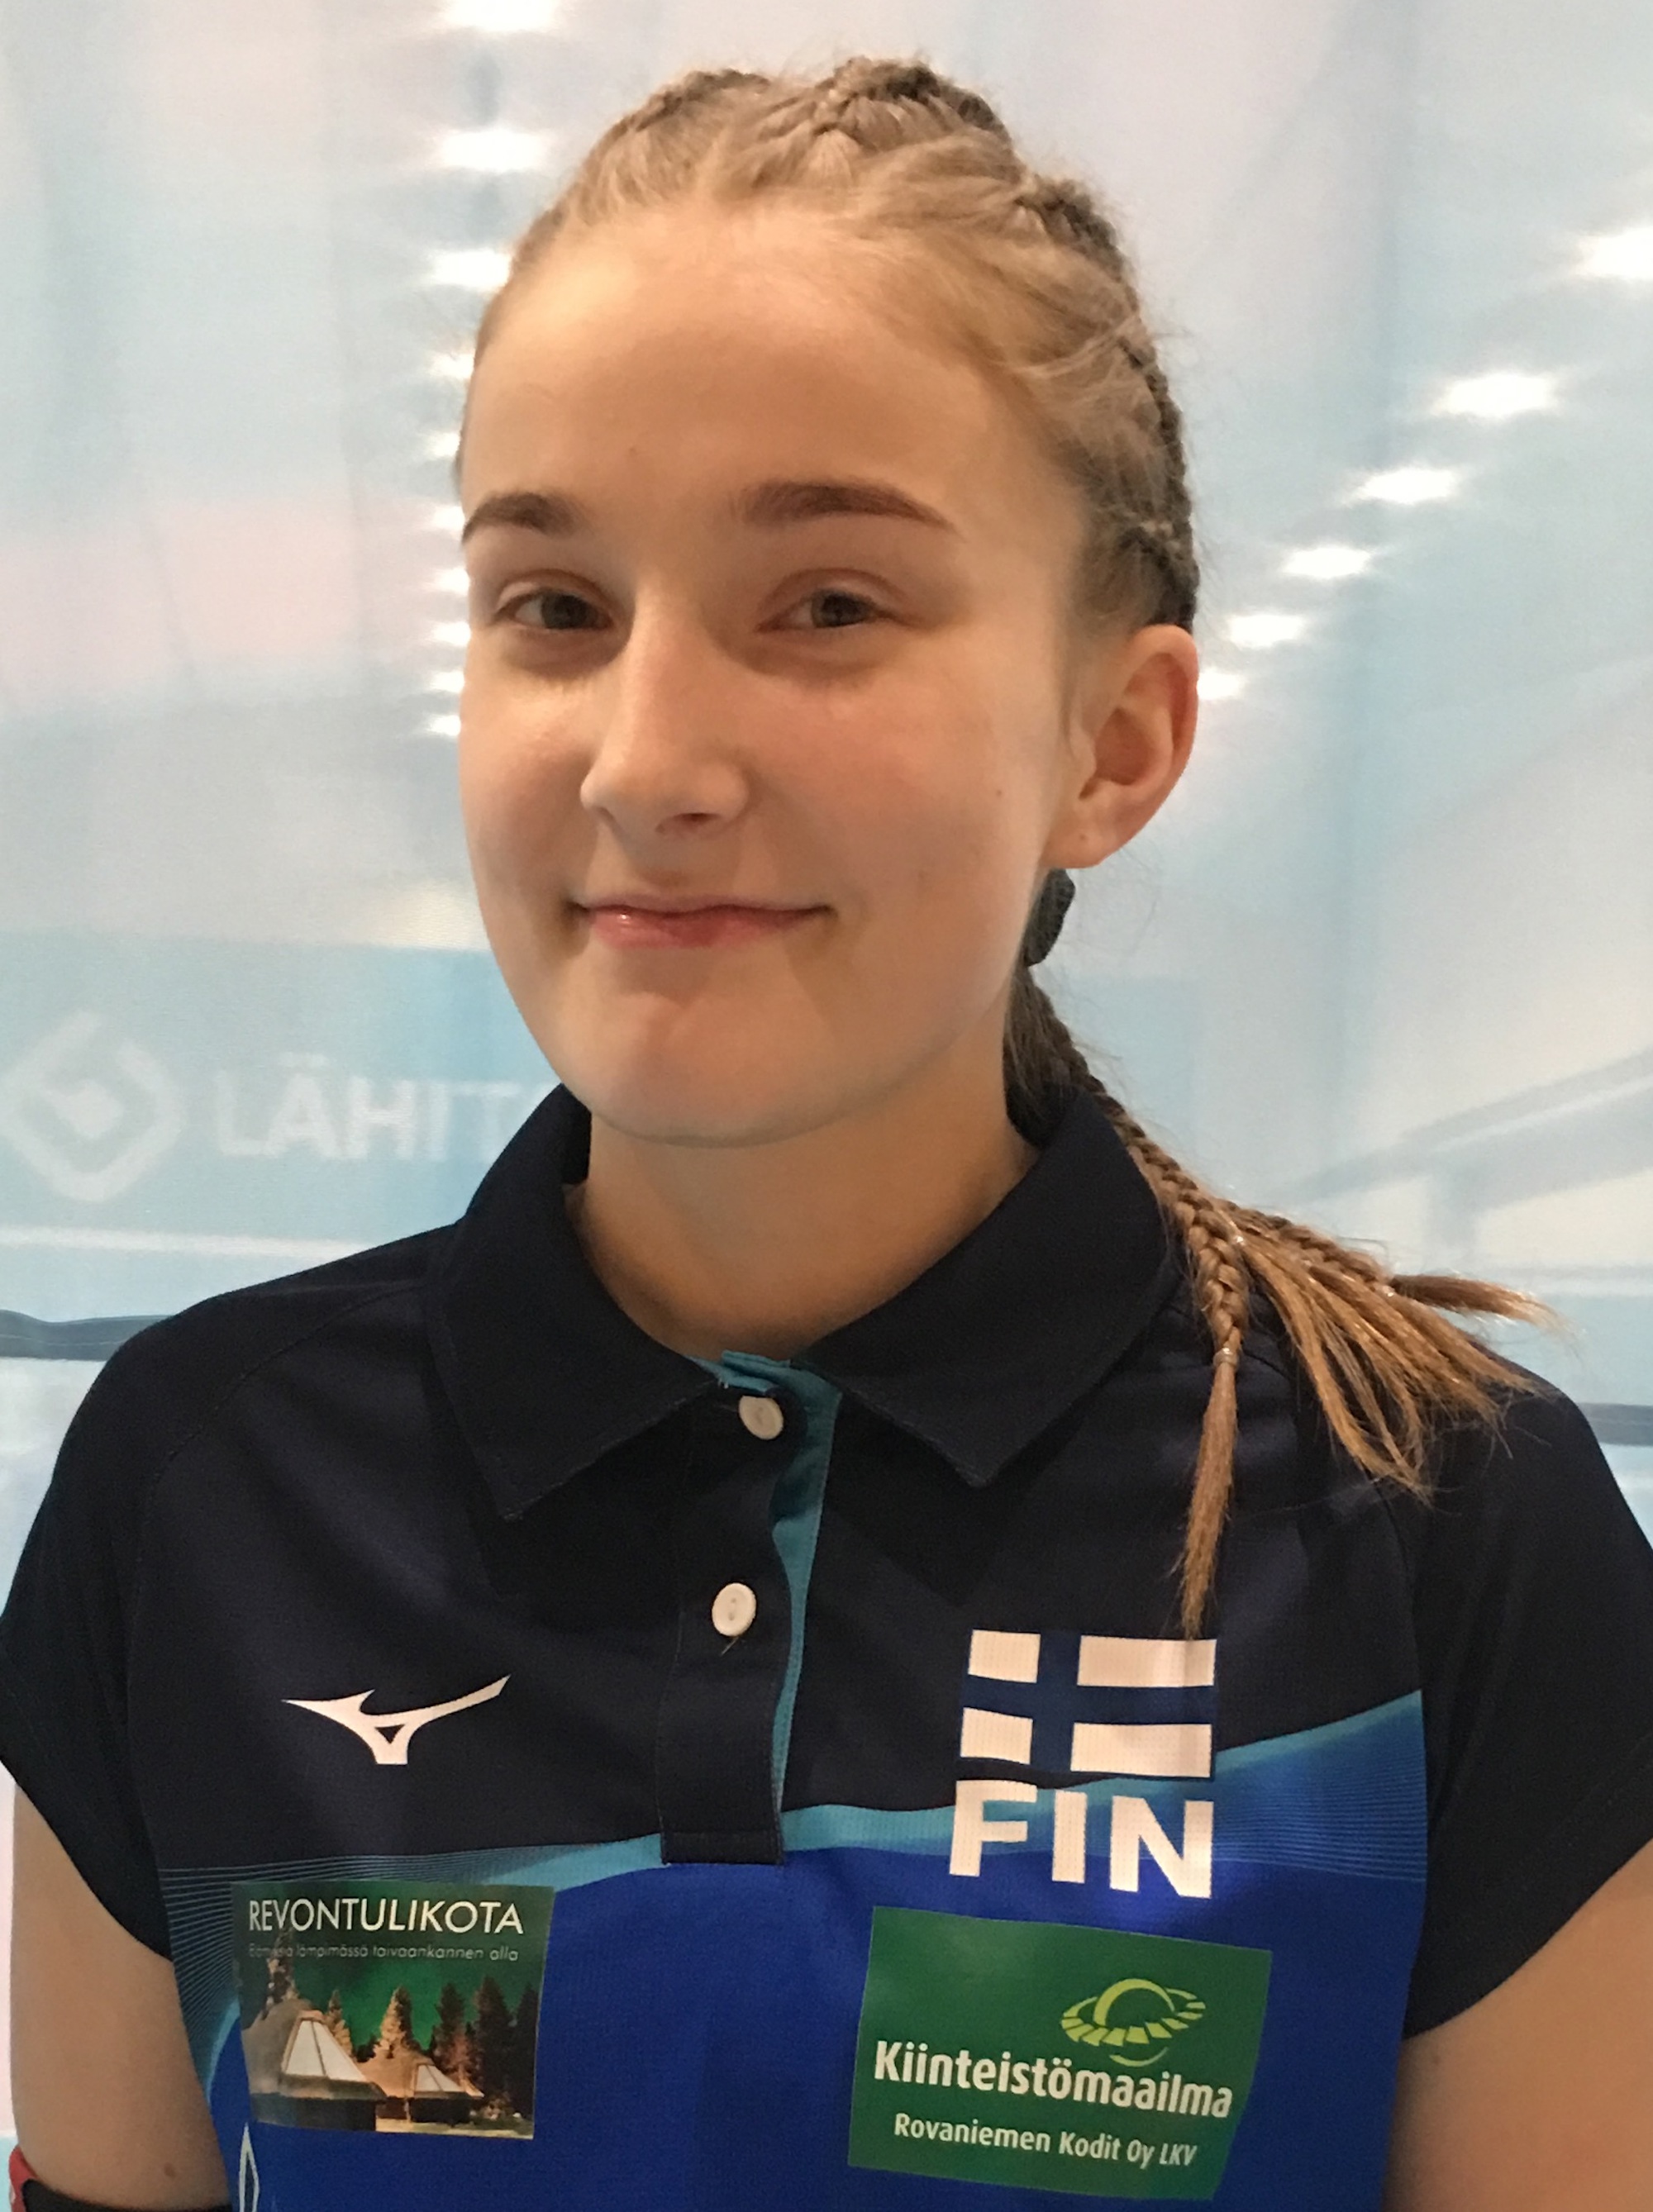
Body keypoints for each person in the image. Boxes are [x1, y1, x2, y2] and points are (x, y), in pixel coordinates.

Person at [3, 54, 1651, 2212]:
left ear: (1114, 740)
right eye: (555, 606)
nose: (647, 762)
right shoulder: (203, 1491)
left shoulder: (1434, 1526)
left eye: (829, 607)